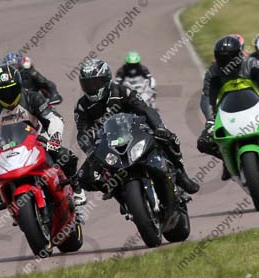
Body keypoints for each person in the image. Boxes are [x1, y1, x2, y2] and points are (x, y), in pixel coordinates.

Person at [74, 59, 199, 196]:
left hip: (135, 131)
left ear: (107, 79)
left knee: (170, 139)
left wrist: (159, 127)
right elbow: (82, 133)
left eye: (95, 83)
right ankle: (117, 192)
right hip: (107, 143)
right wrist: (90, 150)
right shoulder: (82, 106)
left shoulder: (123, 91)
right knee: (83, 177)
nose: (92, 88)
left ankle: (182, 175)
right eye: (87, 84)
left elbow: (145, 109)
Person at [0, 63, 86, 210]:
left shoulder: (32, 97)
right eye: (2, 92)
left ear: (18, 85)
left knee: (67, 156)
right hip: (6, 150)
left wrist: (55, 137)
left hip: (38, 143)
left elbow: (52, 118)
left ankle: (76, 189)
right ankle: (10, 198)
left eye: (11, 90)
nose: (7, 95)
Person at [198, 35, 259, 177]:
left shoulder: (252, 63)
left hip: (256, 104)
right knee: (203, 143)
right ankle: (227, 159)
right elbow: (206, 96)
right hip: (226, 110)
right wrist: (210, 119)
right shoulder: (213, 71)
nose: (225, 61)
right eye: (221, 58)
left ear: (238, 55)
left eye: (229, 57)